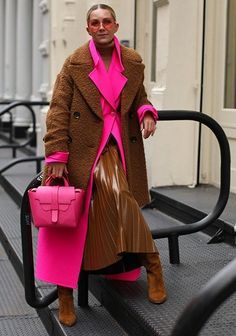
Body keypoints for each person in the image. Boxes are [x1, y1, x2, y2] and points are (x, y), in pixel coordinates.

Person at [36, 3, 167, 327]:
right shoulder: (74, 63)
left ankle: (151, 265)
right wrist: (56, 155)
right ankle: (65, 293)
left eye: (107, 21)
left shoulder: (133, 62)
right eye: (95, 22)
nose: (102, 26)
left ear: (116, 25)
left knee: (117, 200)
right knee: (68, 222)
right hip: (82, 151)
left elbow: (140, 98)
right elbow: (58, 109)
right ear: (88, 28)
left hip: (119, 148)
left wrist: (147, 112)